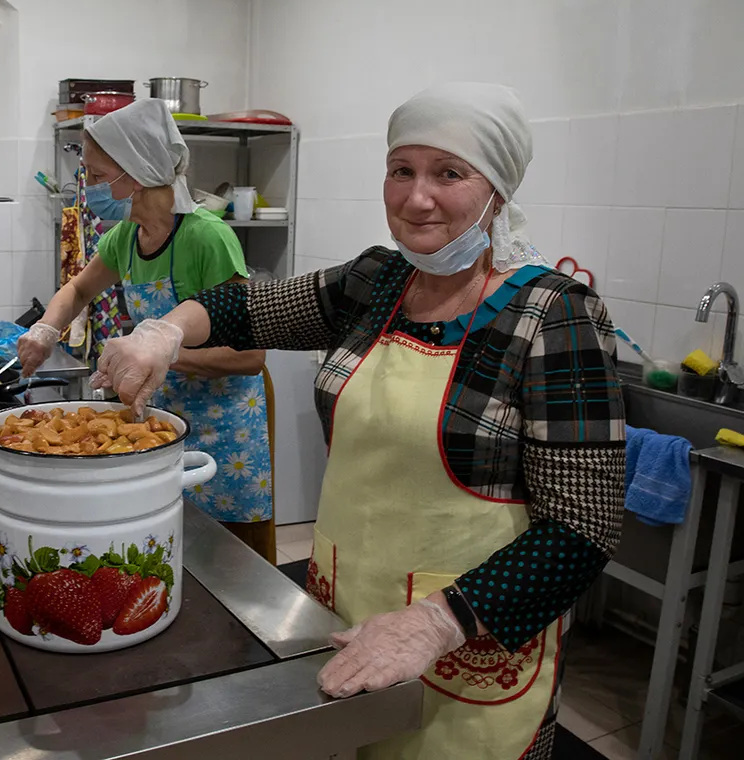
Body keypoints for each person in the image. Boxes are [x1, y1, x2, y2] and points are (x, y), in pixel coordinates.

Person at [89, 83, 625, 759]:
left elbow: (584, 524)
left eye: (448, 173)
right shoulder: (376, 282)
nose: (416, 196)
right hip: (344, 614)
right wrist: (165, 332)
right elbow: (243, 306)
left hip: (467, 642)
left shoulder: (554, 315)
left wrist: (438, 622)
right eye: (401, 170)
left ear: (497, 190)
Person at [17, 99, 276, 561]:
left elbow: (249, 358)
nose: (90, 189)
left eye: (97, 177)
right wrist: (45, 330)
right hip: (164, 417)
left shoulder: (206, 237)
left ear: (133, 176)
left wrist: (161, 354)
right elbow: (77, 291)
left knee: (228, 562)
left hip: (225, 426)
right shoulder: (126, 237)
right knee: (166, 547)